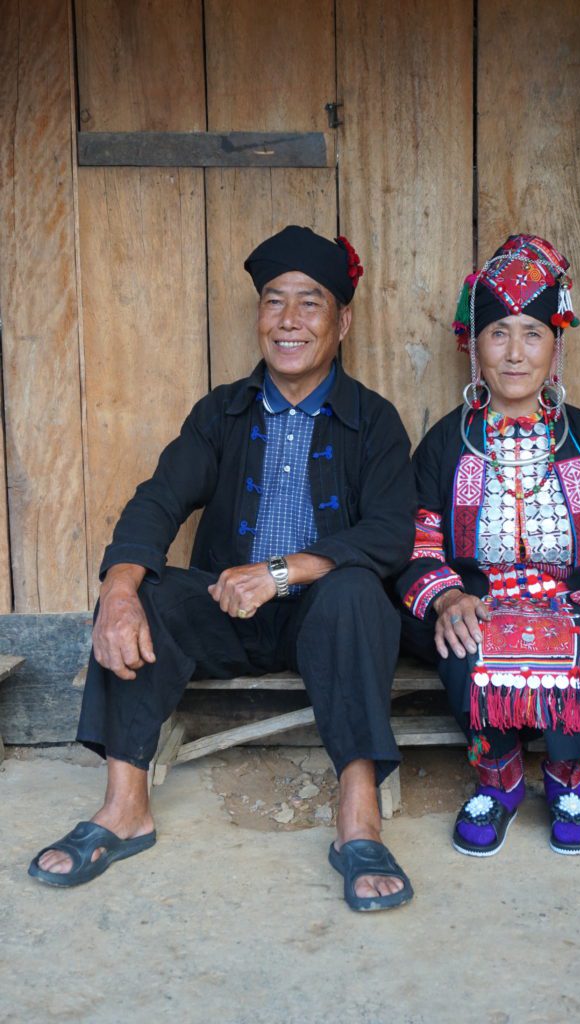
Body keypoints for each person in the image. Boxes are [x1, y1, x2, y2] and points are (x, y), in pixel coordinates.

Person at [29, 225, 415, 911]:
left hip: (324, 619)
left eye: (310, 302)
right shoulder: (223, 412)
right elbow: (158, 499)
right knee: (142, 594)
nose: (288, 321)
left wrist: (282, 570)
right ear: (259, 317)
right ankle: (125, 809)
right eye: (273, 302)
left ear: (343, 319)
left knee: (357, 589)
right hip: (228, 611)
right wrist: (118, 588)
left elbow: (390, 535)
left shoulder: (373, 421)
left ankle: (357, 823)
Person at [398, 234, 580, 857]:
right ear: (475, 346)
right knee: (461, 639)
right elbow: (414, 541)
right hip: (481, 602)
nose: (515, 354)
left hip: (571, 603)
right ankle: (500, 776)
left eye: (533, 334)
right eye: (499, 334)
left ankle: (569, 780)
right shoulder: (445, 442)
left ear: (553, 346)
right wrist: (446, 598)